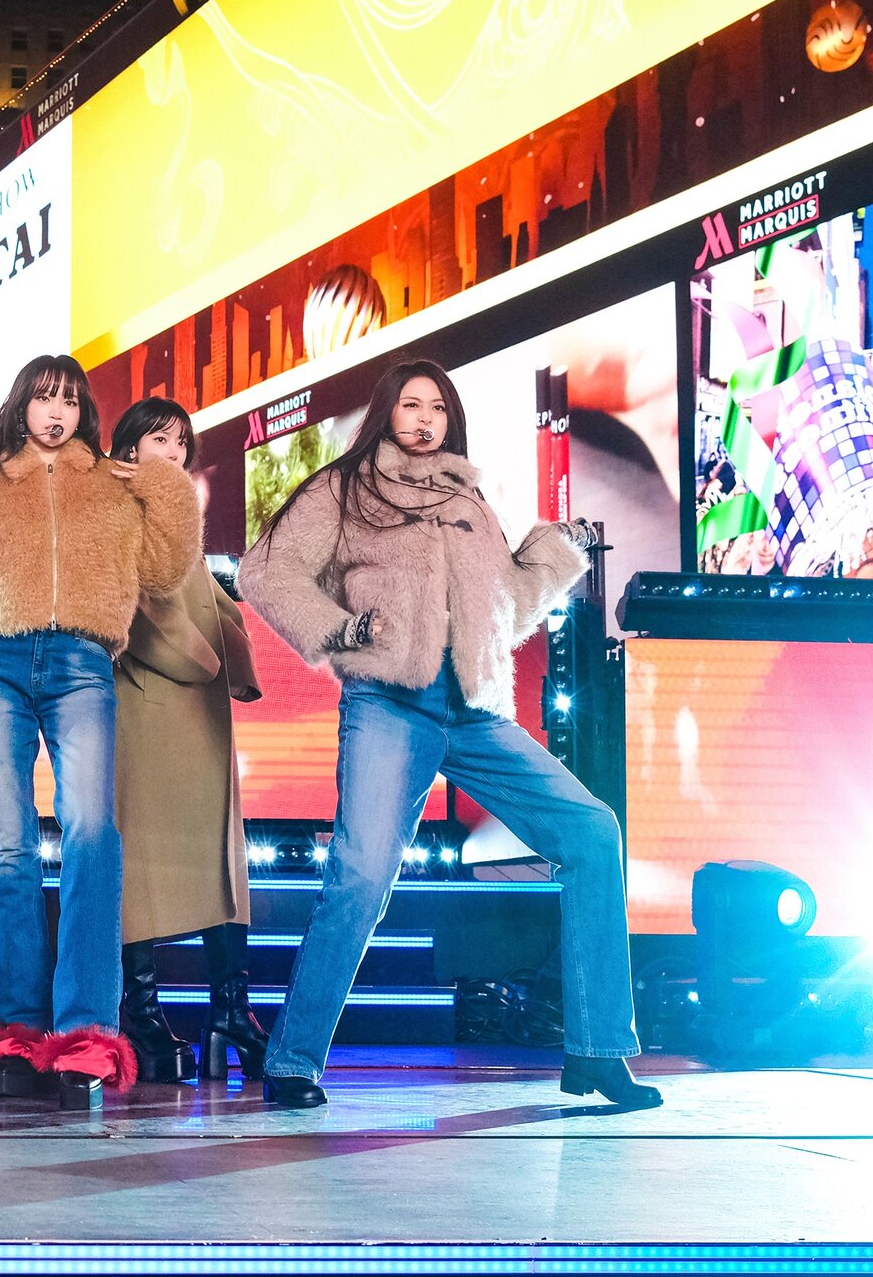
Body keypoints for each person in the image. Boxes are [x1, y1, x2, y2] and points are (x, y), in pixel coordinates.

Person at [238, 359, 661, 1111]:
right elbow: (266, 574)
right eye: (411, 405)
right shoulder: (345, 489)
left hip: (474, 708)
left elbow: (505, 610)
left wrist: (552, 556)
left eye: (437, 407)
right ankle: (294, 1059)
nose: (425, 418)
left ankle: (598, 1050)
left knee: (593, 832)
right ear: (387, 412)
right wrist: (341, 630)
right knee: (360, 876)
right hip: (388, 703)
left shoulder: (469, 501)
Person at [0, 354, 202, 1109]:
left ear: (84, 410)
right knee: (7, 845)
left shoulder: (113, 484)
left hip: (82, 662)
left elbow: (166, 568)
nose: (55, 413)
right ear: (21, 407)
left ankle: (88, 1034)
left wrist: (159, 482)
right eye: (42, 398)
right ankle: (24, 1034)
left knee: (92, 833)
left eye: (68, 400)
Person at [105, 397, 268, 1085]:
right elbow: (135, 607)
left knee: (220, 863)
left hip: (198, 713)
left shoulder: (174, 508)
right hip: (149, 707)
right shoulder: (116, 505)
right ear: (128, 447)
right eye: (158, 439)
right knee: (144, 864)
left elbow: (209, 596)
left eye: (180, 442)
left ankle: (231, 1008)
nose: (172, 452)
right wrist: (208, 662)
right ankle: (141, 1015)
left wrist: (236, 654)